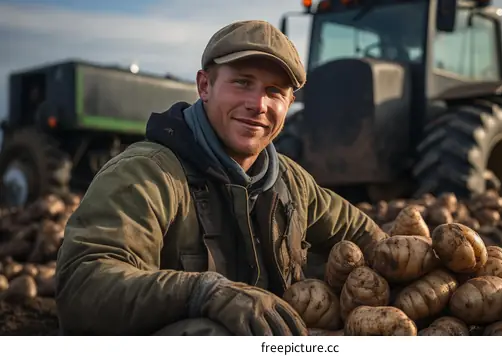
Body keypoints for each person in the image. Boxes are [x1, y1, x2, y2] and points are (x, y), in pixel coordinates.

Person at [55, 20, 388, 336]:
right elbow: (83, 285)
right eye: (242, 82)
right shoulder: (147, 174)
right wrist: (203, 292)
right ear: (204, 86)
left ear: (289, 103)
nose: (258, 104)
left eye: (274, 91)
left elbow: (368, 238)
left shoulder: (292, 183)